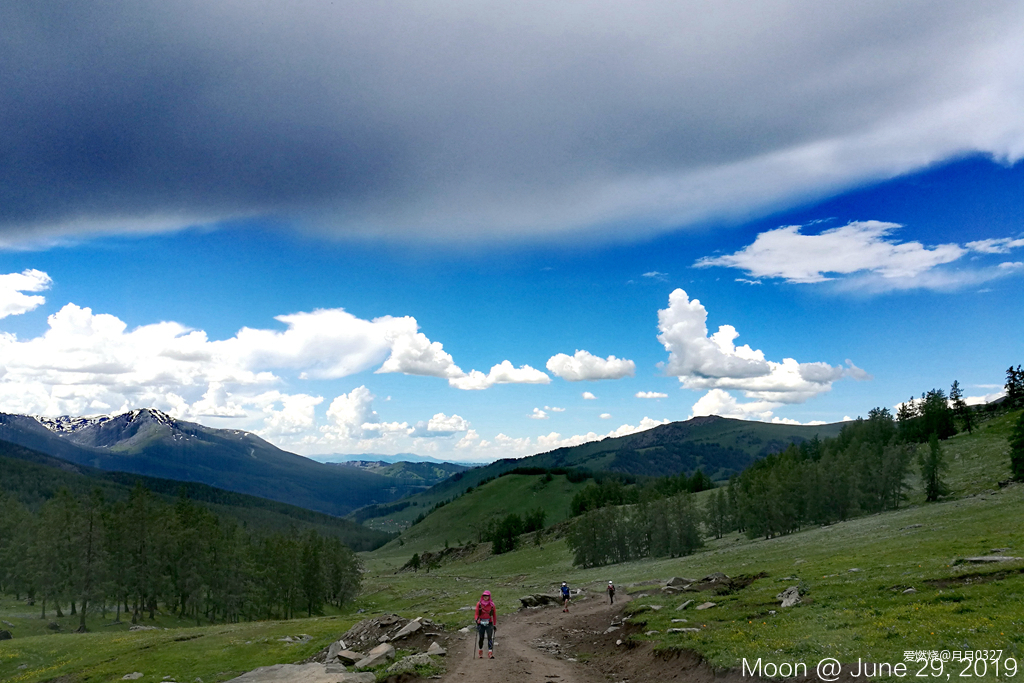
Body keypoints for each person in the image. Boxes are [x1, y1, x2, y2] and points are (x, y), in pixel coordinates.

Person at [475, 590, 497, 659]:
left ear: (489, 596)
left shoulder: (492, 605)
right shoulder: (479, 604)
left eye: (487, 596)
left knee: (490, 637)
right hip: (481, 623)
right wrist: (477, 619)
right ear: (482, 596)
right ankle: (480, 651)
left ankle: (490, 652)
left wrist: (494, 624)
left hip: (489, 623)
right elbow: (476, 614)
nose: (485, 597)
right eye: (484, 596)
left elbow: (494, 615)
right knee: (481, 638)